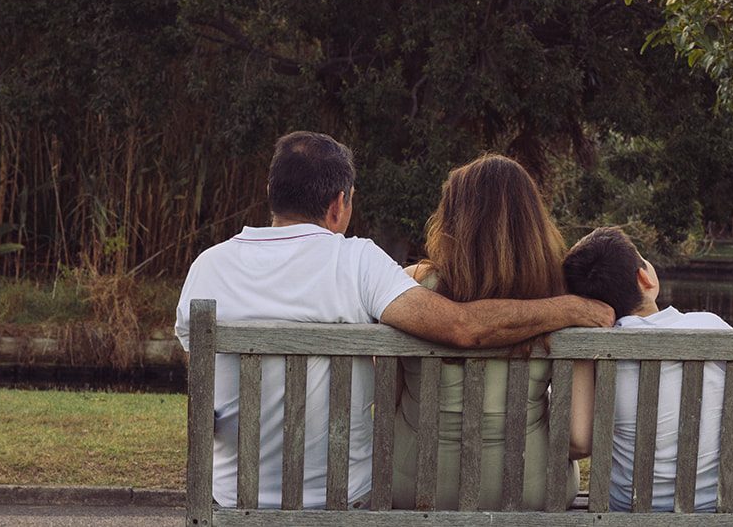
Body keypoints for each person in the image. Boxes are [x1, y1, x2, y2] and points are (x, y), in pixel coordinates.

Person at [175, 133, 614, 510]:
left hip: (231, 495)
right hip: (343, 495)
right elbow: (463, 327)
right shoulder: (357, 263)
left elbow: (207, 392)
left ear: (271, 189)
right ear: (339, 205)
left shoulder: (206, 267)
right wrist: (569, 308)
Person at [392, 154, 580, 510]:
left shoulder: (413, 288)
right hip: (532, 486)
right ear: (532, 222)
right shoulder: (564, 298)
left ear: (453, 221)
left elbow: (389, 397)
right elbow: (580, 440)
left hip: (414, 483)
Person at [564, 226, 733, 512]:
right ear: (646, 278)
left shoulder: (593, 353)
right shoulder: (713, 327)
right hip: (730, 507)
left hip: (632, 510)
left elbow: (579, 441)